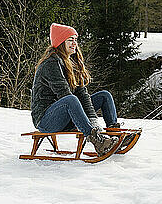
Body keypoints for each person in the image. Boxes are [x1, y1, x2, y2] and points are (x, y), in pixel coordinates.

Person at [30, 23, 122, 155]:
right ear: (61, 42)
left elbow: (82, 94)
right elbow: (64, 94)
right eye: (70, 40)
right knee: (70, 100)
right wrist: (92, 126)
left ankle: (114, 136)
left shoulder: (71, 62)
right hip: (46, 120)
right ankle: (98, 141)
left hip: (66, 116)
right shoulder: (50, 63)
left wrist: (93, 120)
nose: (74, 43)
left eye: (75, 40)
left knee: (104, 96)